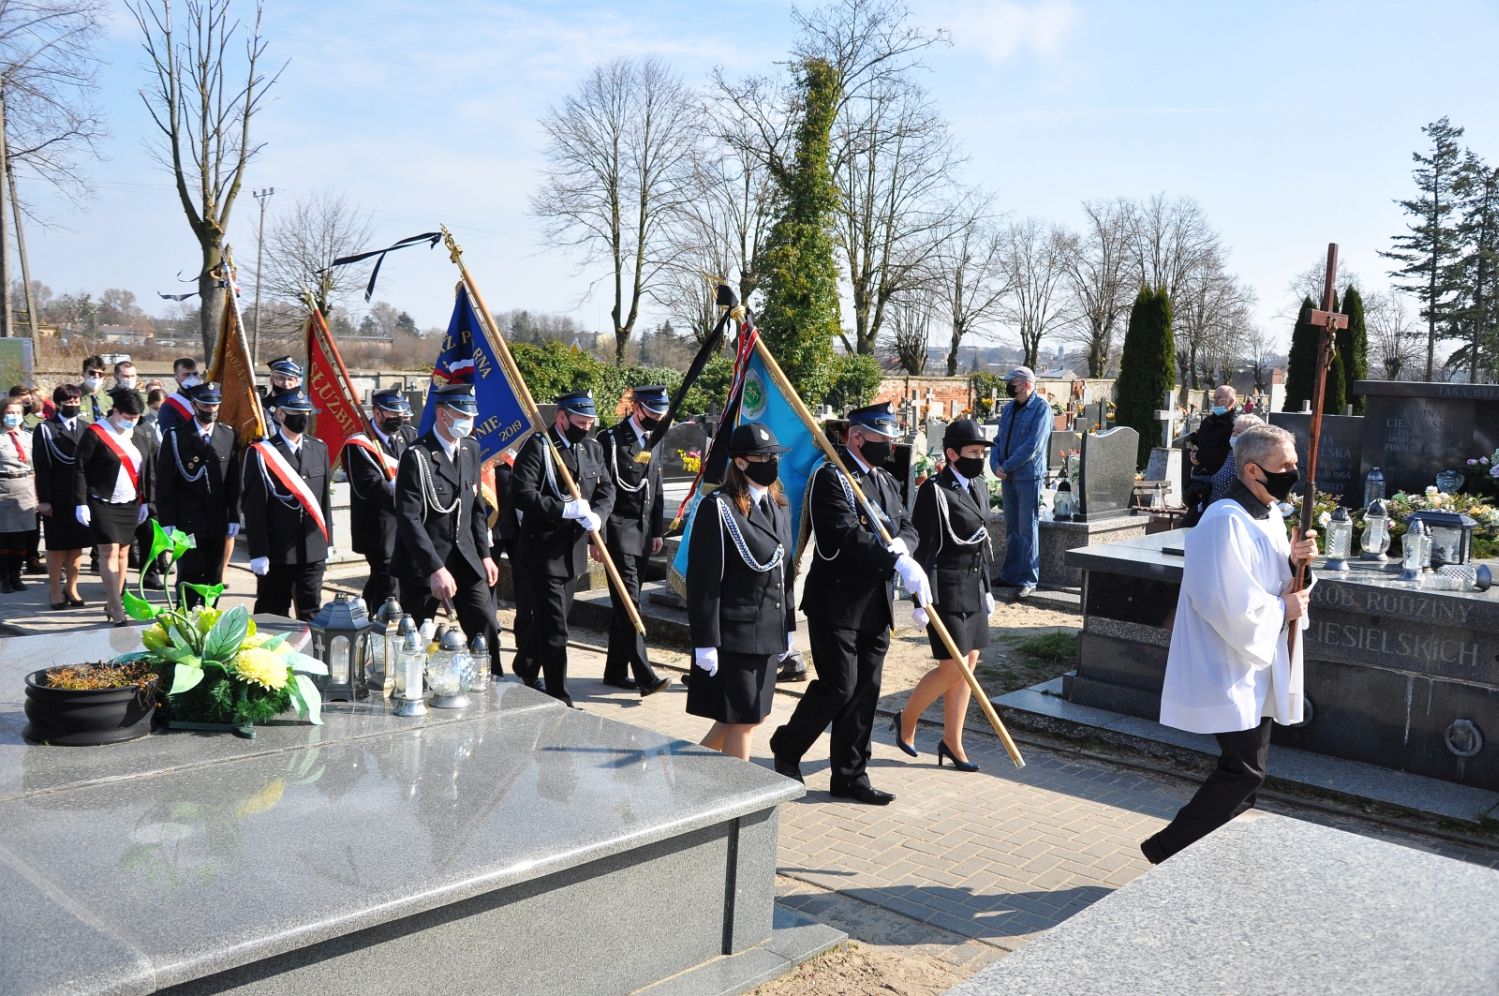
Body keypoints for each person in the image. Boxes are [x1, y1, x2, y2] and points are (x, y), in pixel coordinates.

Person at [1140, 424, 1318, 864]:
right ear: (1254, 470)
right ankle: (1167, 850)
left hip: (1256, 660)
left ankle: (1212, 853)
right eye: (1286, 466)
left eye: (1295, 463)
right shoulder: (1223, 521)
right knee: (1244, 771)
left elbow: (1278, 582)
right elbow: (1223, 601)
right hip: (1227, 659)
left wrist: (1299, 566)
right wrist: (1283, 610)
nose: (1294, 473)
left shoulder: (1270, 513)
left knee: (1249, 771)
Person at [769, 402, 929, 806]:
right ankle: (788, 745)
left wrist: (904, 548)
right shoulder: (832, 478)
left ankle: (850, 773)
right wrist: (892, 557)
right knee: (839, 686)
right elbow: (842, 534)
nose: (889, 447)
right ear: (857, 436)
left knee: (866, 692)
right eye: (882, 439)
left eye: (892, 440)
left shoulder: (884, 481)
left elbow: (908, 526)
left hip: (875, 604)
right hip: (836, 602)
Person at [687, 423, 796, 760]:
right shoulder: (719, 507)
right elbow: (704, 581)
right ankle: (739, 801)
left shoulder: (778, 503)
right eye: (763, 457)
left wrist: (787, 626)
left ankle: (686, 776)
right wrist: (705, 641)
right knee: (744, 719)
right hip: (735, 634)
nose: (771, 463)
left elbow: (785, 572)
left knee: (744, 718)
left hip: (768, 631)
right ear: (741, 463)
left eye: (774, 456)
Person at [895, 419, 995, 773]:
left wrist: (986, 588)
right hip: (946, 591)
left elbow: (980, 543)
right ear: (952, 454)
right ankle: (906, 719)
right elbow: (924, 550)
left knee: (969, 666)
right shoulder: (934, 491)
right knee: (952, 668)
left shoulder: (979, 485)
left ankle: (953, 741)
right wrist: (921, 601)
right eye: (973, 452)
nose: (979, 458)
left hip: (972, 588)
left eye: (982, 452)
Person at [508, 389, 614, 706]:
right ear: (562, 417)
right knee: (556, 629)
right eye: (580, 421)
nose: (586, 427)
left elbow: (607, 488)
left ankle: (525, 664)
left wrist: (599, 516)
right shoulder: (538, 447)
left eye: (590, 422)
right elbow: (521, 494)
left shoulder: (592, 449)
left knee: (551, 619)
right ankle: (558, 693)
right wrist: (563, 509)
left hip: (573, 554)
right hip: (542, 552)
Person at [392, 383, 502, 676]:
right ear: (442, 414)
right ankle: (411, 686)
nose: (468, 422)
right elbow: (409, 519)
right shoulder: (417, 456)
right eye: (462, 415)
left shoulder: (471, 448)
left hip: (465, 557)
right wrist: (434, 569)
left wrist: (486, 554)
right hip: (424, 563)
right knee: (414, 637)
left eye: (471, 416)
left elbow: (476, 508)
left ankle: (491, 680)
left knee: (486, 625)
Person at [596, 384, 671, 697]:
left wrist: (656, 531)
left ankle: (615, 671)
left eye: (660, 413)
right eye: (652, 412)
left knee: (623, 604)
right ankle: (645, 676)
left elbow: (656, 486)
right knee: (630, 605)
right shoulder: (610, 440)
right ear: (637, 407)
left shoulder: (654, 439)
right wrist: (596, 537)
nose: (656, 418)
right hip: (616, 532)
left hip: (641, 536)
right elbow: (598, 490)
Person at [241, 389, 332, 621]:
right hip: (277, 551)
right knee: (272, 613)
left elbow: (323, 501)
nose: (302, 417)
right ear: (280, 414)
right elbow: (254, 508)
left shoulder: (319, 448)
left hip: (312, 548)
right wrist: (258, 551)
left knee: (311, 612)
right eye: (295, 412)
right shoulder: (261, 453)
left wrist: (327, 540)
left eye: (306, 412)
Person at [155, 382, 241, 608]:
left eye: (215, 405)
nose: (211, 410)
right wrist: (167, 521)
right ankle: (186, 623)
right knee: (189, 575)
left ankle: (209, 622)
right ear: (194, 405)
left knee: (214, 577)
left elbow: (233, 481)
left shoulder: (228, 435)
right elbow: (165, 483)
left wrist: (234, 515)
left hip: (217, 520)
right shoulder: (176, 436)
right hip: (187, 520)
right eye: (205, 405)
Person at [72, 388, 152, 624]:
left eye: (136, 418)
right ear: (115, 411)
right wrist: (81, 502)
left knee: (124, 552)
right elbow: (79, 468)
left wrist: (146, 500)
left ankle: (112, 600)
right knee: (108, 551)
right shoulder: (95, 433)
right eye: (127, 418)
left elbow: (147, 469)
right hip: (102, 501)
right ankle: (118, 610)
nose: (132, 422)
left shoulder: (138, 434)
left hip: (130, 502)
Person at [347, 389, 418, 610]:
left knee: (383, 580)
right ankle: (385, 628)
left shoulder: (408, 436)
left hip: (404, 522)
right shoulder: (358, 444)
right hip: (378, 525)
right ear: (377, 413)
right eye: (392, 413)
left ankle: (364, 615)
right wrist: (406, 500)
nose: (399, 418)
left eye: (401, 413)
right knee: (389, 577)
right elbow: (370, 485)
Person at [989, 366, 1050, 599]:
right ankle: (1011, 575)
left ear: (1025, 384)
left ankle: (1028, 578)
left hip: (1027, 476)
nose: (1009, 386)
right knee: (1012, 528)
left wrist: (1007, 466)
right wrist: (995, 464)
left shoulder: (1041, 409)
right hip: (1008, 476)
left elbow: (1032, 446)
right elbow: (998, 439)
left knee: (1027, 528)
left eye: (1012, 382)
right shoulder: (1009, 409)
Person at [32, 384, 88, 608]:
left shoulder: (86, 428)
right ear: (57, 403)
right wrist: (44, 499)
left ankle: (72, 587)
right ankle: (55, 590)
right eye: (68, 401)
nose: (73, 405)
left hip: (79, 497)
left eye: (76, 401)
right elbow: (42, 466)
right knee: (57, 547)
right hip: (56, 497)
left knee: (77, 546)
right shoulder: (46, 429)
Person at [0, 396, 36, 594]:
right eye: (9, 413)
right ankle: (4, 576)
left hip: (25, 487)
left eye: (17, 413)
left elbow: (34, 466)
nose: (13, 417)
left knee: (21, 538)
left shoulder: (28, 437)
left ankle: (16, 574)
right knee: (3, 538)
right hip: (3, 487)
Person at [1189, 385, 1238, 477]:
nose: (1215, 402)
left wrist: (1200, 455)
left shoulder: (1235, 424)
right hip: (1200, 472)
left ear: (1231, 402)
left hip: (1220, 475)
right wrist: (1193, 454)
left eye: (1220, 399)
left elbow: (1227, 452)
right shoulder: (1208, 421)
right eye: (1214, 398)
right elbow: (1198, 442)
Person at [156, 357, 203, 437]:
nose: (192, 378)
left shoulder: (207, 400)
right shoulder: (169, 407)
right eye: (186, 375)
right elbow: (171, 440)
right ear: (176, 378)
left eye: (195, 374)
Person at [78, 355, 112, 422]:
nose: (96, 376)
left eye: (100, 374)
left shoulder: (110, 399)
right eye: (92, 373)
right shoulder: (72, 397)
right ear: (83, 374)